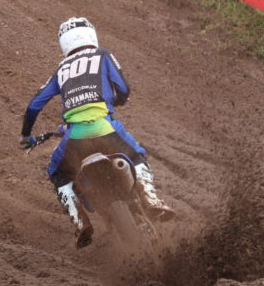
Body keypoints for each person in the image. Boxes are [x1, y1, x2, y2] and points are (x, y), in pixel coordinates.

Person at [19, 17, 172, 248]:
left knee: (57, 174)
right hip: (106, 129)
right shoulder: (102, 55)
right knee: (137, 155)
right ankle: (151, 199)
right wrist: (118, 100)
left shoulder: (61, 69)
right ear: (91, 35)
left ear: (64, 43)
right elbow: (123, 88)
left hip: (75, 138)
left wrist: (26, 137)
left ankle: (81, 223)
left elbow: (34, 106)